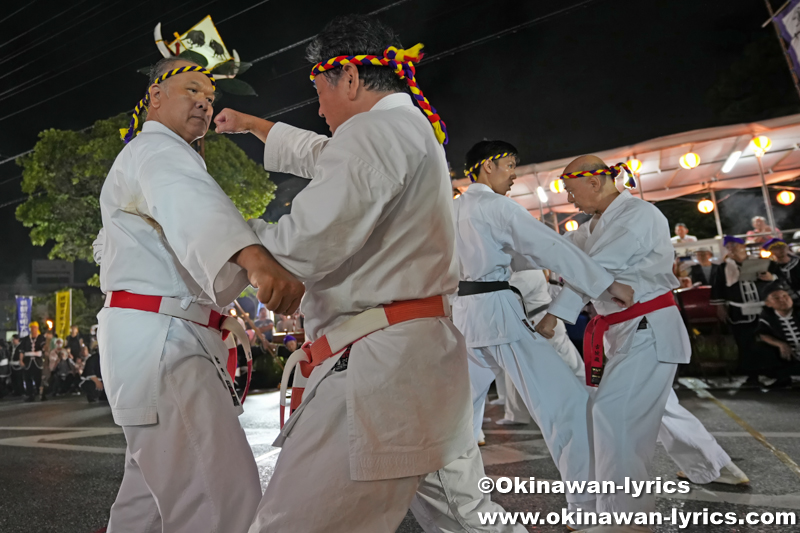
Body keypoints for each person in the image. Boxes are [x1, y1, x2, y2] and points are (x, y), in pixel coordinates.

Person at [215, 16, 512, 533]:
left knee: (292, 523)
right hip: (418, 357)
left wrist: (220, 233)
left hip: (378, 370)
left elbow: (304, 242)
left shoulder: (374, 133)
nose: (319, 107)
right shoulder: (409, 127)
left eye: (319, 90)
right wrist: (255, 126)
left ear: (349, 78)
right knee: (469, 520)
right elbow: (328, 157)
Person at [94, 57, 304, 533]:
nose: (204, 104)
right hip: (163, 344)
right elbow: (193, 206)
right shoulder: (157, 151)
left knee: (146, 509)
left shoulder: (164, 156)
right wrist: (254, 260)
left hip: (158, 339)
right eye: (191, 90)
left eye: (210, 98)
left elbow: (194, 231)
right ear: (154, 97)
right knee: (221, 505)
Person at [445, 141, 634, 520]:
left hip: (463, 314)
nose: (515, 174)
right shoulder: (495, 206)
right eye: (510, 165)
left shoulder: (451, 209)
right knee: (565, 406)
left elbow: (525, 252)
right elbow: (547, 247)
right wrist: (604, 283)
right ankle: (586, 508)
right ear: (487, 167)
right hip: (498, 312)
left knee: (459, 417)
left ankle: (455, 504)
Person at [546, 155, 691, 531]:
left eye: (570, 188)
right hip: (623, 332)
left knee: (616, 417)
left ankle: (625, 521)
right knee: (615, 417)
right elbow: (559, 252)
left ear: (593, 182)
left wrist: (556, 314)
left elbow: (597, 268)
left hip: (648, 327)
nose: (568, 197)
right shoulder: (592, 227)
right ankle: (618, 515)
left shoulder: (638, 215)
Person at [711, 236, 771, 386]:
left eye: (734, 245)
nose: (731, 248)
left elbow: (774, 280)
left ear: (742, 246)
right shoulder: (723, 267)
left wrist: (770, 277)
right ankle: (753, 376)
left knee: (768, 340)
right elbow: (718, 289)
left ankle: (775, 372)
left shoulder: (758, 262)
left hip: (762, 308)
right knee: (745, 342)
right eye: (728, 246)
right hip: (738, 310)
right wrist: (721, 307)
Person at [755, 286, 800, 388]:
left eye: (785, 296)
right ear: (768, 303)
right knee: (760, 347)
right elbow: (762, 334)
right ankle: (783, 379)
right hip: (791, 357)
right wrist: (781, 344)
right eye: (776, 298)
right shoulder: (768, 316)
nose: (782, 300)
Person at [19, 321, 47, 402]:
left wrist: (45, 346)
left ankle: (40, 394)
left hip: (37, 362)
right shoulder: (25, 339)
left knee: (38, 379)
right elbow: (22, 351)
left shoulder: (41, 338)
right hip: (28, 362)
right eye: (32, 328)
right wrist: (21, 360)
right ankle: (30, 395)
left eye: (35, 327)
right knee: (28, 378)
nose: (33, 329)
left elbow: (44, 347)